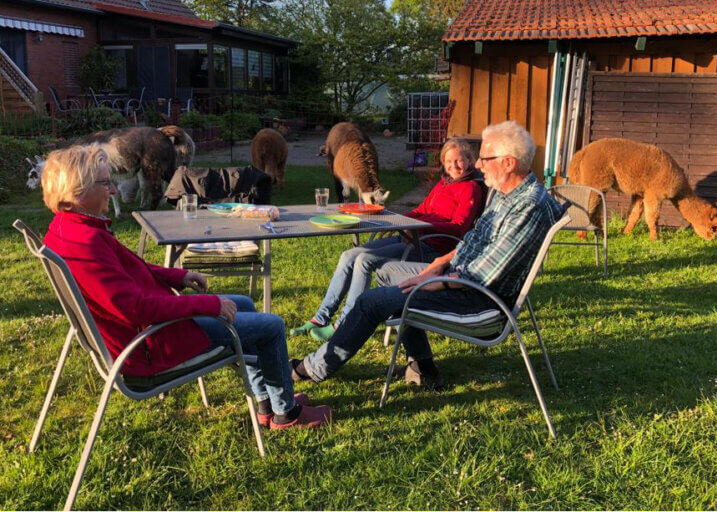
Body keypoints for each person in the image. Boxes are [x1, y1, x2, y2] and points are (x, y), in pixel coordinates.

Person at [40, 144, 330, 429]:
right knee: (273, 326)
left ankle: (268, 403)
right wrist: (209, 304)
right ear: (75, 193)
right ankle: (286, 414)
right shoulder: (87, 243)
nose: (113, 190)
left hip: (154, 334)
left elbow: (132, 266)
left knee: (244, 303)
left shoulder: (70, 229)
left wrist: (176, 277)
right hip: (154, 347)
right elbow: (136, 308)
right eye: (106, 183)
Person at [290, 121, 565, 387]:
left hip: (477, 301)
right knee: (386, 273)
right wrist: (439, 262)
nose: (479, 165)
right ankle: (423, 366)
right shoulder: (508, 196)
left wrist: (438, 280)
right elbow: (473, 239)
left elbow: (486, 273)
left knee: (371, 301)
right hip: (462, 280)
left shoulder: (528, 207)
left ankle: (311, 369)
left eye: (484, 158)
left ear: (508, 162)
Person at [290, 138, 486, 342]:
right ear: (443, 163)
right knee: (350, 254)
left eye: (459, 160)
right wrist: (397, 222)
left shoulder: (471, 187)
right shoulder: (443, 184)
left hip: (432, 245)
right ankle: (320, 318)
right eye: (448, 161)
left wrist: (418, 228)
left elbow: (458, 228)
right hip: (413, 237)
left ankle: (345, 323)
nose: (454, 166)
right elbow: (422, 210)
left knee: (364, 260)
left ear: (469, 159)